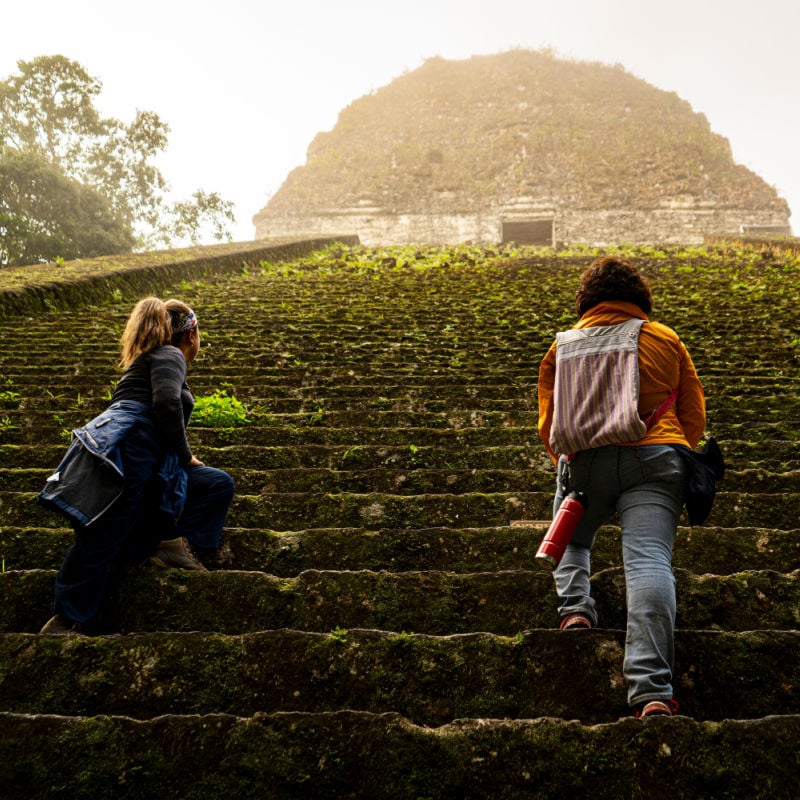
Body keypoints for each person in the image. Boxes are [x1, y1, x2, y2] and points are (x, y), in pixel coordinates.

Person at [537, 256, 705, 718]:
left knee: (571, 535)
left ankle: (575, 609)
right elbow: (692, 411)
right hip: (656, 458)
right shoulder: (664, 338)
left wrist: (570, 465)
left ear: (587, 303)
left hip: (586, 462)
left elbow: (551, 424)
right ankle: (651, 691)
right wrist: (667, 451)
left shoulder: (562, 346)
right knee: (649, 562)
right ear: (640, 300)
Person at [38, 297, 235, 635]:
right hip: (135, 447)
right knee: (105, 531)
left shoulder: (147, 360)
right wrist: (186, 454)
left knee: (215, 484)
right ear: (193, 334)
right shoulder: (169, 355)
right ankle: (68, 620)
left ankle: (168, 544)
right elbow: (167, 404)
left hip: (146, 452)